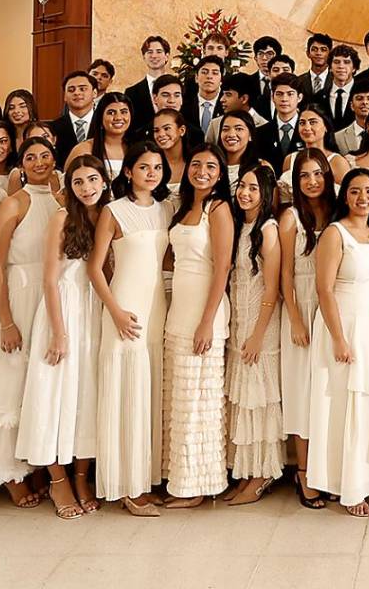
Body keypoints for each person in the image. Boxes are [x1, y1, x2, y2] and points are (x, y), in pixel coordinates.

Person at [306, 168, 369, 517]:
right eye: (355, 191)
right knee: (348, 403)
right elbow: (324, 289)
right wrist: (338, 338)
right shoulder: (335, 233)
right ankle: (351, 485)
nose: (363, 198)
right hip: (344, 322)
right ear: (344, 196)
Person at [19, 154, 108, 520]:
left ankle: (82, 476)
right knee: (53, 392)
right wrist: (59, 332)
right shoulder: (61, 218)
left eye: (92, 179)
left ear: (104, 180)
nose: (86, 188)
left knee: (87, 392)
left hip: (94, 309)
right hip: (64, 308)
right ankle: (58, 480)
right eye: (78, 182)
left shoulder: (107, 215)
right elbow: (49, 280)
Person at [0, 137, 62, 506]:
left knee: (39, 381)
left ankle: (37, 463)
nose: (39, 162)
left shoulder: (61, 201)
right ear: (21, 165)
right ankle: (9, 472)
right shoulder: (13, 203)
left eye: (45, 155)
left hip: (51, 295)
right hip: (20, 292)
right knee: (12, 380)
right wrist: (6, 319)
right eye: (31, 157)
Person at [162, 145, 233, 508]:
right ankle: (180, 477)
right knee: (180, 398)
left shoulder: (217, 209)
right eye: (196, 164)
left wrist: (206, 322)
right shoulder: (182, 207)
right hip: (179, 309)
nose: (202, 171)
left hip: (206, 312)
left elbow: (222, 267)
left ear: (220, 174)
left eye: (210, 166)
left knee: (199, 402)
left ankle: (199, 486)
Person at [224, 164, 284, 505]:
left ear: (265, 194)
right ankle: (246, 472)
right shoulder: (240, 225)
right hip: (239, 320)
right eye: (242, 186)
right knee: (243, 399)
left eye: (253, 188)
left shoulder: (268, 229)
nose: (245, 193)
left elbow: (272, 288)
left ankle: (262, 474)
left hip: (261, 325)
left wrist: (259, 334)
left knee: (259, 400)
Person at [279, 149, 335, 508]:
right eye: (304, 175)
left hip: (331, 307)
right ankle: (303, 471)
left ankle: (327, 468)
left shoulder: (337, 213)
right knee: (302, 390)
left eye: (317, 174)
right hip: (300, 304)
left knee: (328, 390)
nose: (312, 181)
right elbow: (284, 273)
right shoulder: (291, 217)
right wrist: (296, 318)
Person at [49, 70, 99, 148]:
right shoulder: (53, 128)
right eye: (71, 90)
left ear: (94, 93)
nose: (76, 93)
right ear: (65, 96)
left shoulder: (103, 124)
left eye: (82, 89)